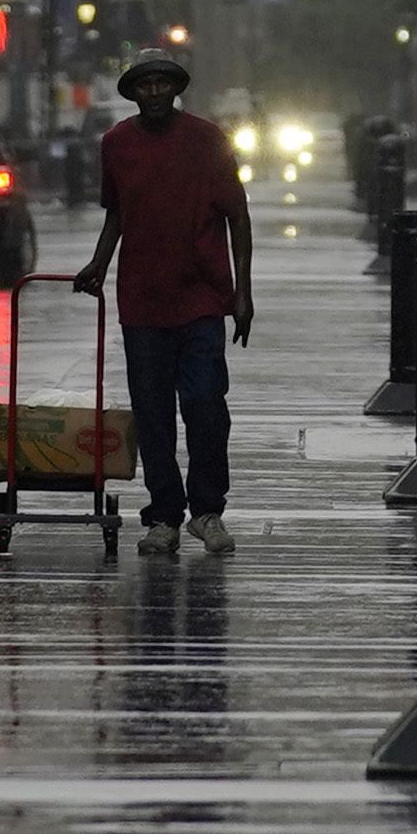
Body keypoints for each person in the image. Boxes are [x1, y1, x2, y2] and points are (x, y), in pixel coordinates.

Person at [75, 50, 251, 555]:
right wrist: (98, 263)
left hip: (200, 297)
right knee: (152, 413)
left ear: (175, 89)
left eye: (162, 84)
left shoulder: (207, 140)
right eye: (144, 86)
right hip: (143, 300)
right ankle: (165, 516)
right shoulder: (117, 144)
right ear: (133, 93)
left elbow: (238, 216)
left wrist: (243, 292)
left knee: (204, 404)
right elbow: (118, 214)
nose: (154, 93)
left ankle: (208, 510)